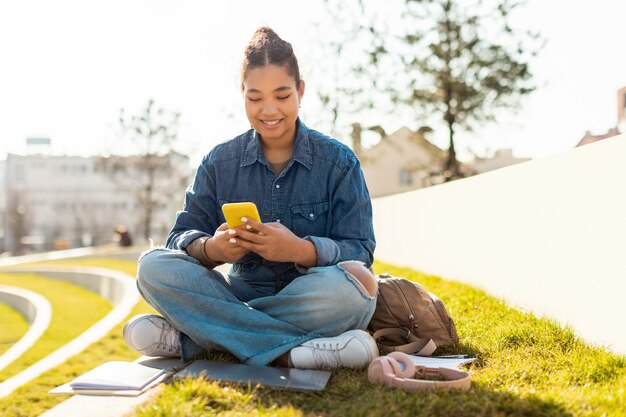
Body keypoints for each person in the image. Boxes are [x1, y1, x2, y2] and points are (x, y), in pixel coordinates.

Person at [122, 27, 379, 369]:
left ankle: (197, 338)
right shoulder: (218, 162)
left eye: (282, 95)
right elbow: (178, 238)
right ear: (241, 94)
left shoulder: (339, 162)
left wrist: (301, 250)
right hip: (236, 294)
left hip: (310, 296)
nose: (269, 110)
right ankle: (291, 351)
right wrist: (212, 249)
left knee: (357, 289)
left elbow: (360, 250)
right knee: (152, 266)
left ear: (300, 91)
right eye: (255, 98)